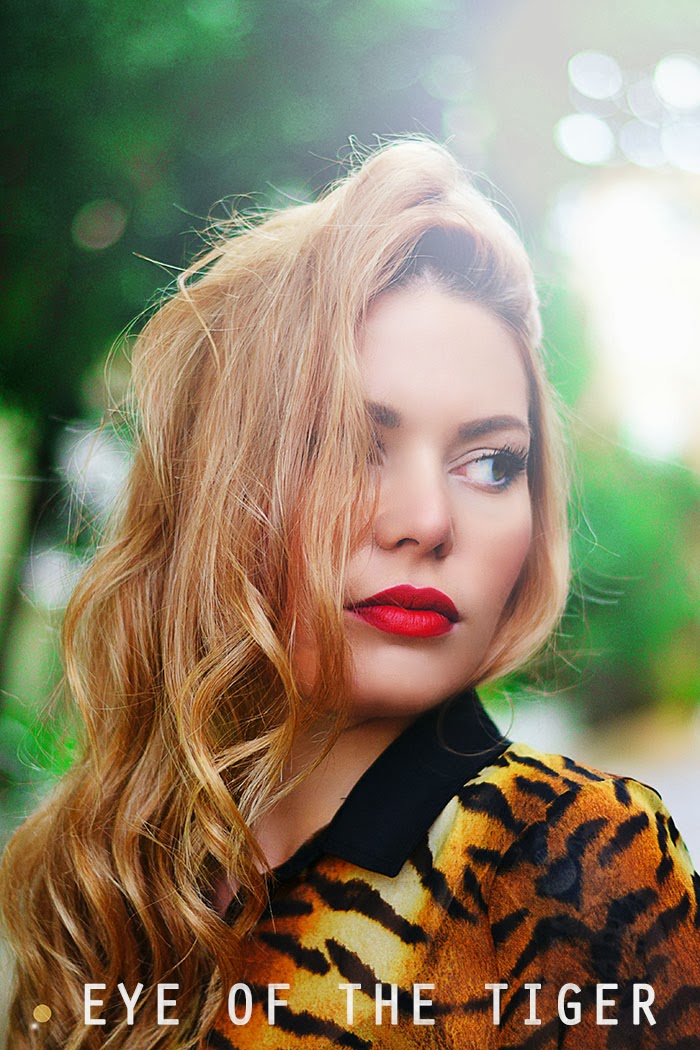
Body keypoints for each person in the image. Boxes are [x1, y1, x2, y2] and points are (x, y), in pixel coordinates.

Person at [1, 139, 698, 1050]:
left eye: (492, 463)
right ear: (223, 485)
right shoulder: (111, 870)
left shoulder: (565, 855)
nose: (426, 521)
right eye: (351, 444)